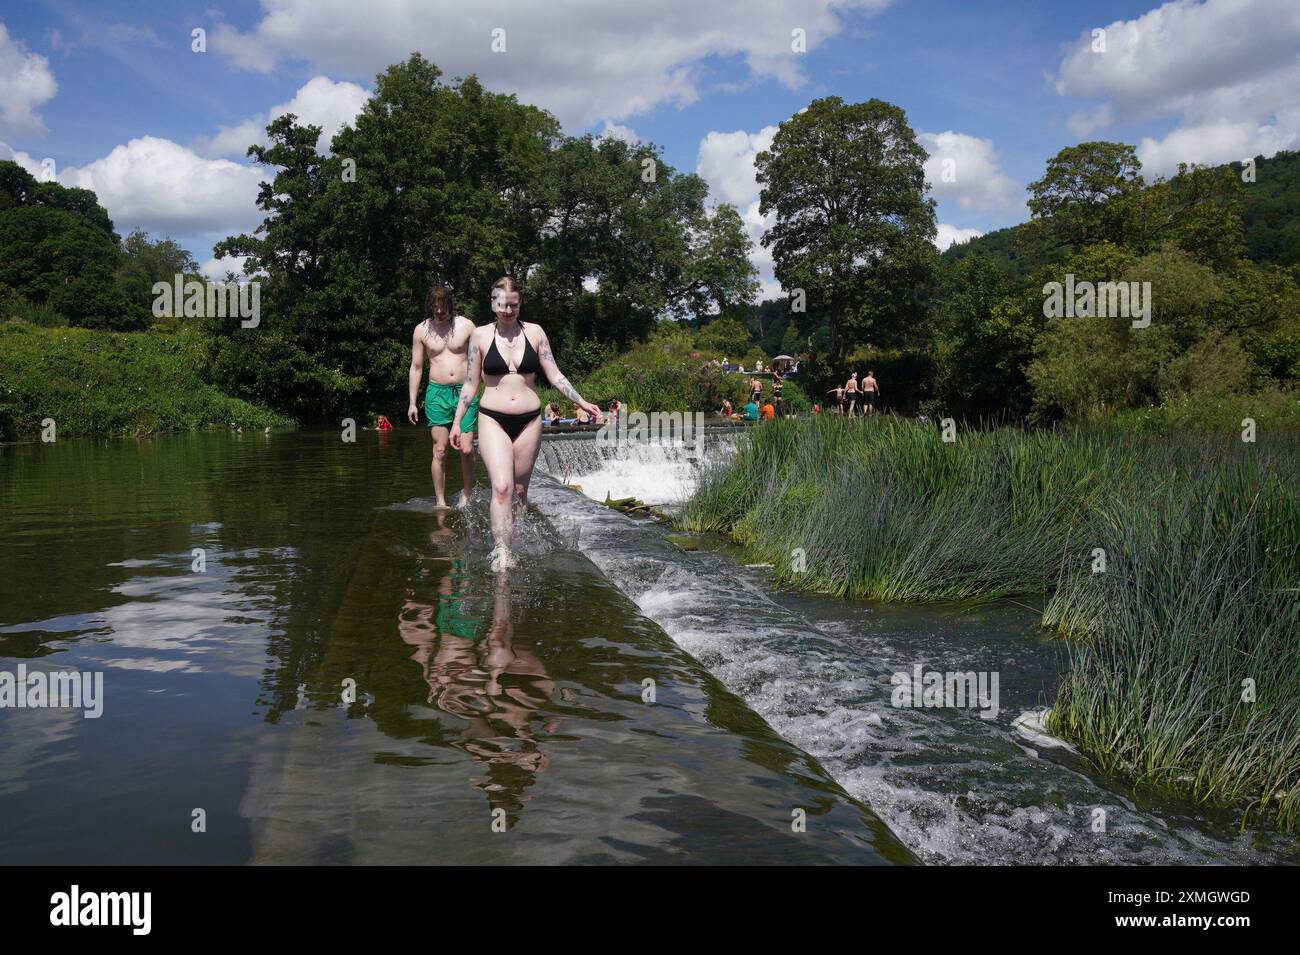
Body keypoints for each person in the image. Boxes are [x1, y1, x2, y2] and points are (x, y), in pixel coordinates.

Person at [449, 276, 604, 571]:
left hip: (530, 420)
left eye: (514, 305)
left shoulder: (535, 333)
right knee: (503, 488)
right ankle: (503, 551)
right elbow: (470, 384)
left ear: (520, 304)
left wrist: (581, 402)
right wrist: (457, 423)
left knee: (520, 492)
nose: (508, 310)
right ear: (493, 303)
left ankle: (516, 538)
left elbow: (555, 374)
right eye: (502, 305)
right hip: (492, 417)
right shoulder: (480, 336)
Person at [408, 284, 479, 508]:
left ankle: (467, 495)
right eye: (435, 306)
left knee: (466, 449)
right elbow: (417, 367)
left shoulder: (466, 326)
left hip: (464, 393)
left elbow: (480, 360)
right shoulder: (421, 330)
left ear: (450, 304)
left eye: (443, 306)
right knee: (440, 450)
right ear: (430, 306)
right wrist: (412, 402)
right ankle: (440, 501)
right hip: (436, 393)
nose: (439, 311)